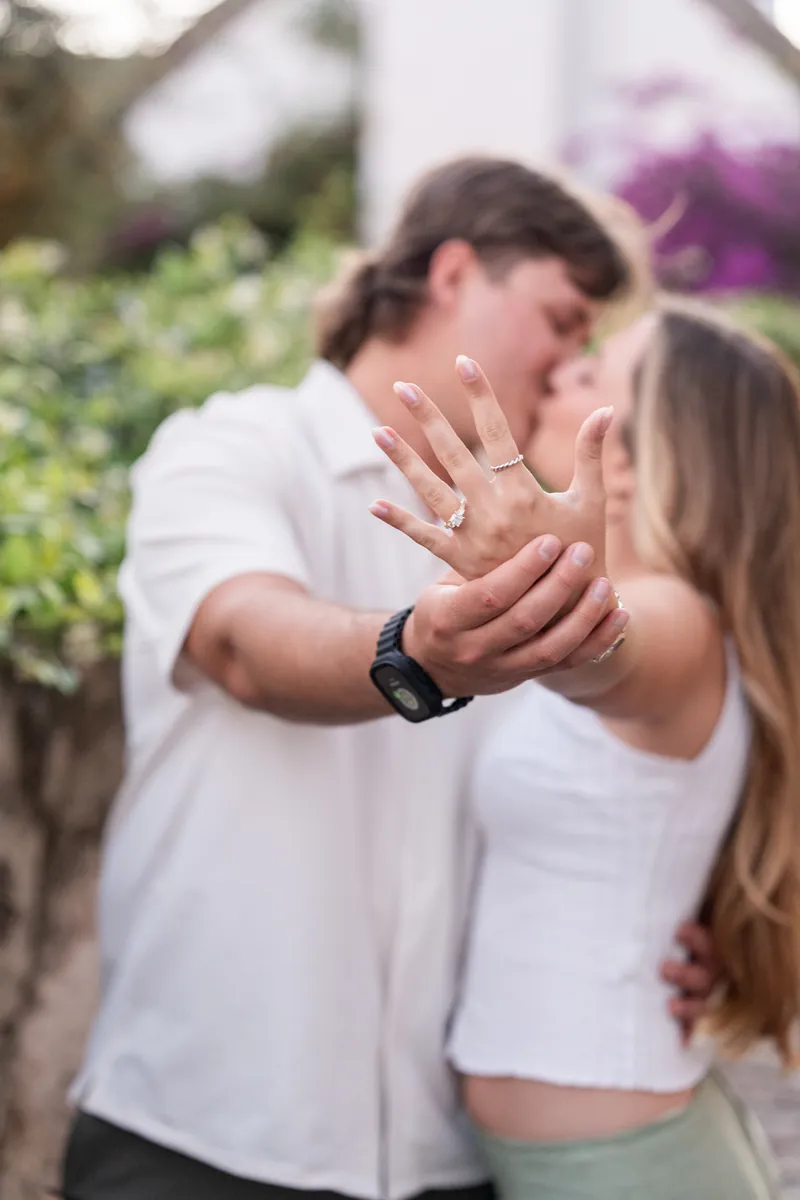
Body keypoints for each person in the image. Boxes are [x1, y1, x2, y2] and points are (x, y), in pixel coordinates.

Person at [62, 159, 716, 1200]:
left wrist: (669, 926)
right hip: (202, 1135)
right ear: (453, 272)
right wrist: (414, 653)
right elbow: (243, 642)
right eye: (559, 318)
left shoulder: (546, 528)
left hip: (447, 1156)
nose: (568, 362)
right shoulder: (232, 447)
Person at [368, 298, 798, 1198]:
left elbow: (610, 659)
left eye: (591, 374)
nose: (559, 373)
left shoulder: (680, 625)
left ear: (639, 464)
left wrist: (561, 610)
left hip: (629, 1167)